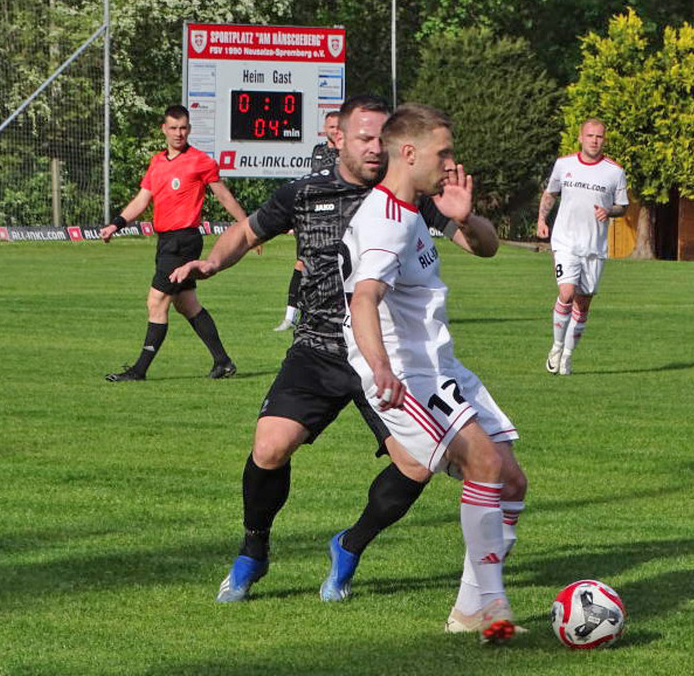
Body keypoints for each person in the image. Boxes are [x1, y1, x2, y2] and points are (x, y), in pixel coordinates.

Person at [169, 96, 526, 631]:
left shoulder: (414, 199)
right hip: (328, 346)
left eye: (380, 138)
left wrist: (467, 218)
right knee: (270, 446)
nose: (372, 148)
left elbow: (484, 247)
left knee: (422, 468)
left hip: (388, 354)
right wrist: (212, 262)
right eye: (364, 138)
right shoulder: (313, 193)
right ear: (338, 137)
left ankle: (354, 546)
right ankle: (253, 551)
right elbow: (250, 233)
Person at [337, 103, 522, 643]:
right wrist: (381, 369)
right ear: (409, 152)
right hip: (407, 378)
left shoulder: (416, 210)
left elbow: (486, 248)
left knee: (511, 479)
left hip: (443, 367)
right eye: (443, 153)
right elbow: (363, 299)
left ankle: (469, 609)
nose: (451, 163)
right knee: (484, 463)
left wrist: (464, 216)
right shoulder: (382, 222)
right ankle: (492, 605)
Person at [101, 104, 247, 381]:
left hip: (183, 241)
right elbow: (143, 200)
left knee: (156, 302)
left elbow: (224, 197)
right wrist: (116, 224)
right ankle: (223, 361)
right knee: (187, 304)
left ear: (189, 129)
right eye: (173, 128)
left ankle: (138, 370)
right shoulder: (157, 162)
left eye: (183, 128)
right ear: (164, 130)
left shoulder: (200, 161)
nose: (179, 133)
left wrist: (249, 229)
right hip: (166, 241)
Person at [537, 118, 628, 375]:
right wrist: (542, 220)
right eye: (590, 136)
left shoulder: (614, 171)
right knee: (566, 292)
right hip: (565, 241)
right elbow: (550, 193)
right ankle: (555, 347)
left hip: (594, 247)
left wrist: (609, 211)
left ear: (604, 140)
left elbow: (623, 206)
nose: (594, 141)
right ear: (580, 137)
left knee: (583, 303)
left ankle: (567, 355)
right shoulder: (564, 164)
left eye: (599, 137)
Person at [273, 111, 341, 332]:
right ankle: (290, 316)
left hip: (338, 217)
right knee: (302, 263)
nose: (335, 130)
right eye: (331, 126)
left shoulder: (347, 153)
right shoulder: (318, 151)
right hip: (314, 217)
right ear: (325, 127)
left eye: (339, 126)